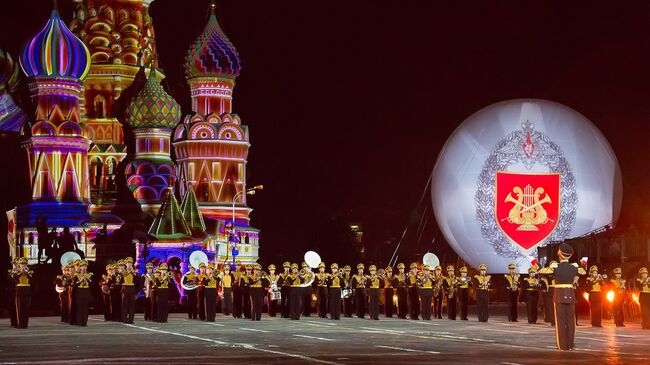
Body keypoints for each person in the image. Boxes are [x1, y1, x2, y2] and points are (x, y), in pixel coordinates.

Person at [552, 243, 579, 351]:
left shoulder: (556, 267)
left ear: (560, 254)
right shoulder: (574, 268)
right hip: (571, 295)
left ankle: (562, 345)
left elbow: (541, 271)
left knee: (560, 322)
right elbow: (582, 271)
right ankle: (570, 345)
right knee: (571, 321)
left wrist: (533, 262)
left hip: (559, 296)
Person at [12, 258, 33, 328]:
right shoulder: (16, 272)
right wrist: (20, 272)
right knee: (20, 308)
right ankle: (20, 324)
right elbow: (14, 279)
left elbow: (33, 279)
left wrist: (27, 273)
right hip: (20, 291)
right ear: (19, 265)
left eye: (25, 264)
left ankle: (25, 324)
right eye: (22, 264)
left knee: (26, 308)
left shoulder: (29, 272)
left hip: (27, 290)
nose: (23, 265)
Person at [121, 257, 137, 324]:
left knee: (131, 305)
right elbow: (124, 274)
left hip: (131, 288)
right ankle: (124, 319)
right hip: (125, 288)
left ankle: (131, 320)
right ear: (126, 264)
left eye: (130, 263)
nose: (129, 264)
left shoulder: (133, 270)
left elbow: (135, 276)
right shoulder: (123, 270)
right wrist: (129, 270)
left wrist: (133, 271)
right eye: (128, 263)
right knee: (125, 305)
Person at [7, 258, 19, 327]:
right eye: (13, 264)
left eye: (16, 264)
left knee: (16, 307)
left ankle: (17, 322)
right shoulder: (10, 272)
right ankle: (13, 322)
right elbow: (7, 282)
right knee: (11, 307)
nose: (14, 265)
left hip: (17, 292)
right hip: (11, 293)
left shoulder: (19, 273)